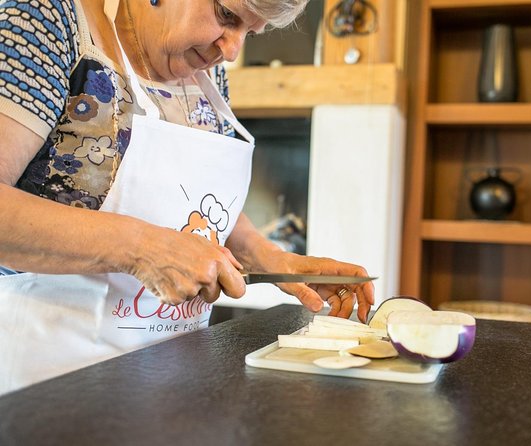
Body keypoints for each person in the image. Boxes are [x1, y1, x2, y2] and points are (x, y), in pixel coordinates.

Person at [0, 0, 374, 395]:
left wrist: (274, 260)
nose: (231, 51)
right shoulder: (47, 23)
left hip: (170, 382)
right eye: (227, 16)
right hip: (44, 387)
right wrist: (141, 249)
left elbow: (196, 199)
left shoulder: (204, 67)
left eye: (251, 32)